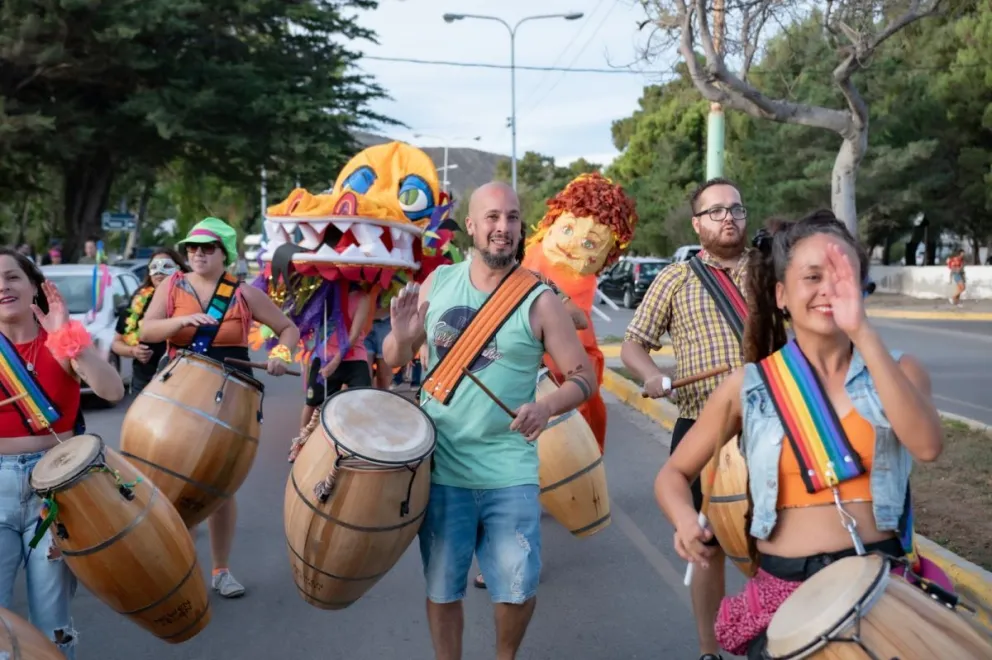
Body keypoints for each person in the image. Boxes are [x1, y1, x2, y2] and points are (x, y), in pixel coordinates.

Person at [653, 210, 944, 659]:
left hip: (881, 590)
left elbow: (927, 446)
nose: (828, 289)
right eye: (812, 277)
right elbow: (672, 475)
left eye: (843, 276)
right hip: (785, 595)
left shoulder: (900, 369)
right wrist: (685, 521)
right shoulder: (749, 386)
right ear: (782, 295)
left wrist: (863, 333)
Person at [383, 181, 595, 660]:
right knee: (442, 589)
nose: (503, 227)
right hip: (443, 469)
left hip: (510, 470)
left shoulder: (540, 299)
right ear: (472, 226)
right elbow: (395, 357)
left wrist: (546, 407)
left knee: (517, 588)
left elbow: (583, 378)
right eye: (493, 218)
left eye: (512, 218)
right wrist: (402, 337)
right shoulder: (439, 284)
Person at [620, 177, 750, 660]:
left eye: (735, 208)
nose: (728, 218)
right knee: (706, 545)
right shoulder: (676, 278)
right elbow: (633, 344)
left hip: (773, 424)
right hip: (702, 429)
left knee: (781, 544)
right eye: (715, 211)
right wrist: (651, 374)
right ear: (697, 224)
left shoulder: (772, 271)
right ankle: (709, 649)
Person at [140, 217, 300, 599]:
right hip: (179, 392)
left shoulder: (244, 293)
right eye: (192, 248)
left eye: (207, 248)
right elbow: (146, 330)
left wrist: (281, 354)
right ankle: (177, 567)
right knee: (171, 479)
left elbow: (288, 329)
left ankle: (221, 570)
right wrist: (181, 321)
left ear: (224, 254)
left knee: (220, 484)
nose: (198, 254)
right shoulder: (172, 286)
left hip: (230, 394)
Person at [0, 247, 125, 658]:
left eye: (12, 277)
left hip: (56, 490)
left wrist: (69, 341)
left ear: (34, 286)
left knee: (52, 619)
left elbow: (112, 391)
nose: (3, 287)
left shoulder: (62, 342)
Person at [521, 172, 639, 454]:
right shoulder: (521, 266)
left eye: (590, 244)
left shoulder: (571, 294)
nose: (572, 245)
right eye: (567, 230)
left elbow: (579, 329)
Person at [288, 282, 374, 462]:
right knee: (312, 403)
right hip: (324, 355)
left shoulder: (362, 298)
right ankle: (300, 443)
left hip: (353, 357)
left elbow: (354, 334)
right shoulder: (323, 292)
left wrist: (335, 363)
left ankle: (359, 447)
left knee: (363, 401)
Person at [111, 249, 188, 394]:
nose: (159, 272)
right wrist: (133, 351)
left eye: (166, 266)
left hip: (181, 378)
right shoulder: (139, 299)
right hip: (144, 379)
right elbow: (116, 343)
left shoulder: (190, 298)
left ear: (179, 269)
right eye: (154, 267)